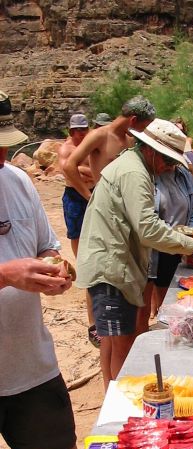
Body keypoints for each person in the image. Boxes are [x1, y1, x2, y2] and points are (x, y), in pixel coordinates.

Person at [76, 119, 193, 389]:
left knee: (112, 338)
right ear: (151, 151)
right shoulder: (134, 173)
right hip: (111, 268)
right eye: (167, 161)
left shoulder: (134, 166)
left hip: (117, 263)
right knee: (121, 342)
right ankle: (118, 401)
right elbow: (148, 228)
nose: (168, 168)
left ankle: (111, 395)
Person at [0, 94, 79, 449]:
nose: (2, 155)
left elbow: (45, 244)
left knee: (60, 442)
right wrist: (6, 274)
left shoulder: (16, 180)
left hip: (27, 352)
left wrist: (55, 268)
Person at [136, 163, 193, 331]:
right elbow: (147, 221)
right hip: (148, 248)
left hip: (175, 247)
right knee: (141, 311)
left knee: (168, 306)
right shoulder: (146, 174)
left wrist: (190, 237)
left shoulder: (184, 175)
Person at [57, 113, 99, 347]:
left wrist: (82, 170)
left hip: (90, 191)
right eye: (76, 130)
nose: (80, 133)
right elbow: (68, 171)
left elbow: (89, 170)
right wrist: (84, 172)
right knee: (77, 234)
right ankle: (82, 264)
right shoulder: (66, 148)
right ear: (70, 131)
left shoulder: (91, 143)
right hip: (75, 195)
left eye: (84, 129)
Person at [63, 95, 156, 200]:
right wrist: (90, 197)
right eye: (143, 126)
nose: (142, 131)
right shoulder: (99, 136)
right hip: (106, 202)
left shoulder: (131, 139)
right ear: (133, 120)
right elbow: (69, 165)